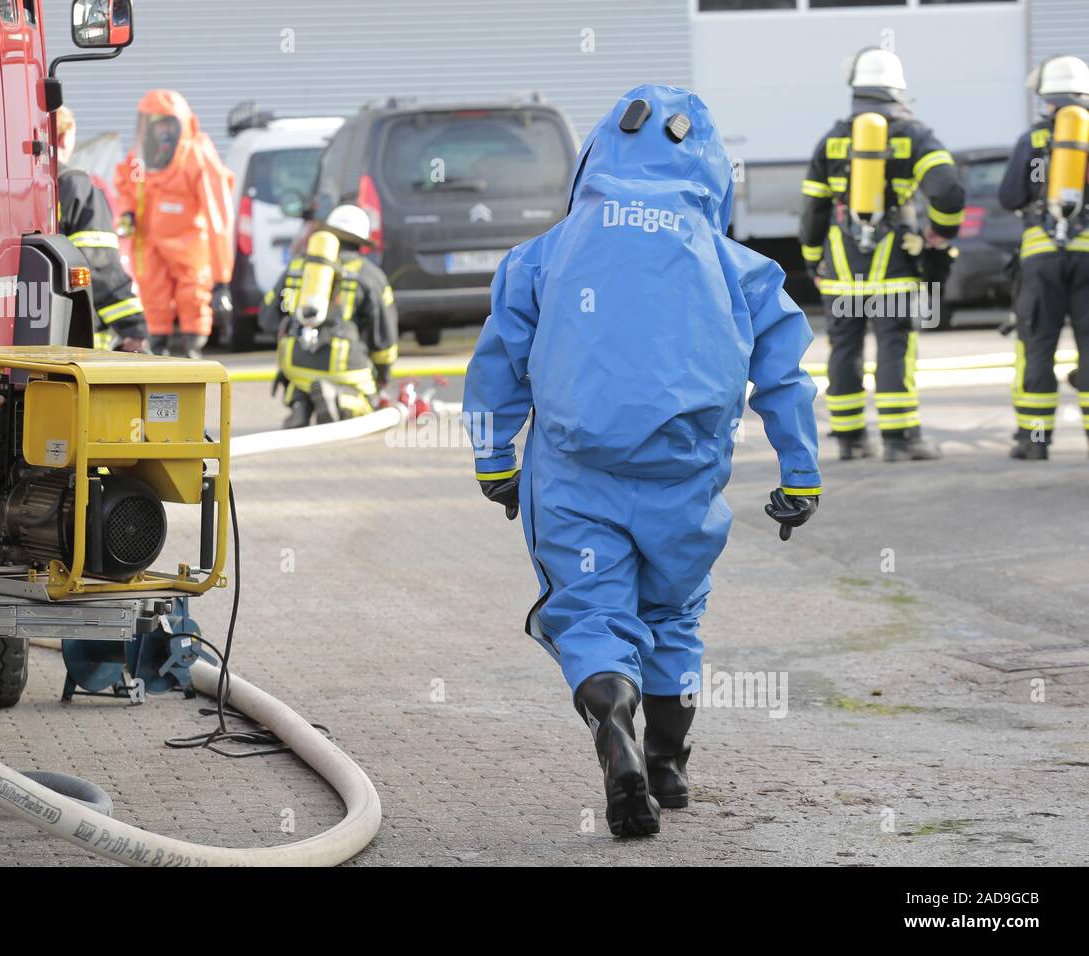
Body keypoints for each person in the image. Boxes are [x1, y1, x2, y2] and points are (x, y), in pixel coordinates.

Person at [463, 85, 822, 837]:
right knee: (674, 617)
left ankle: (611, 730)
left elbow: (500, 356)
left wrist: (495, 459)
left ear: (599, 156)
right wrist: (799, 475)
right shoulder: (738, 266)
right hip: (685, 479)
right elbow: (786, 375)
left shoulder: (546, 255)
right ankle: (667, 764)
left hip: (576, 475)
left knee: (592, 615)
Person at [799, 49, 965, 462]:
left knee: (844, 349)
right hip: (894, 267)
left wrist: (813, 258)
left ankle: (851, 440)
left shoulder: (833, 138)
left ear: (856, 87)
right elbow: (947, 189)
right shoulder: (914, 135)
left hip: (840, 269)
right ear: (897, 87)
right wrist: (940, 233)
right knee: (894, 346)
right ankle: (899, 440)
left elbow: (814, 209)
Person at [997, 55, 1089, 460]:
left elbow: (1010, 197)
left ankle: (1034, 442)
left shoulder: (1033, 140)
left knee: (1037, 347)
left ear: (1046, 98)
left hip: (1041, 258)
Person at [114, 90, 235, 359]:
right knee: (153, 298)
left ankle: (193, 350)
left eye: (169, 124)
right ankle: (157, 350)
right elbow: (126, 190)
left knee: (193, 297)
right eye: (158, 125)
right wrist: (126, 214)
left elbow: (219, 217)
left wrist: (221, 280)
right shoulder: (139, 159)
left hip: (190, 244)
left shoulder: (198, 155)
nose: (163, 132)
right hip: (149, 245)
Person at [260, 204, 399, 428]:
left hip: (295, 362)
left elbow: (267, 319)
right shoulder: (370, 275)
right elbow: (384, 338)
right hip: (344, 367)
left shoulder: (297, 265)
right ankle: (339, 399)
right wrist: (383, 377)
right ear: (360, 241)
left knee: (303, 378)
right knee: (367, 401)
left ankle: (300, 403)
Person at [55, 106, 147, 352]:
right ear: (64, 137)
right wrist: (133, 329)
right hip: (69, 340)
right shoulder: (75, 186)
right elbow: (99, 265)